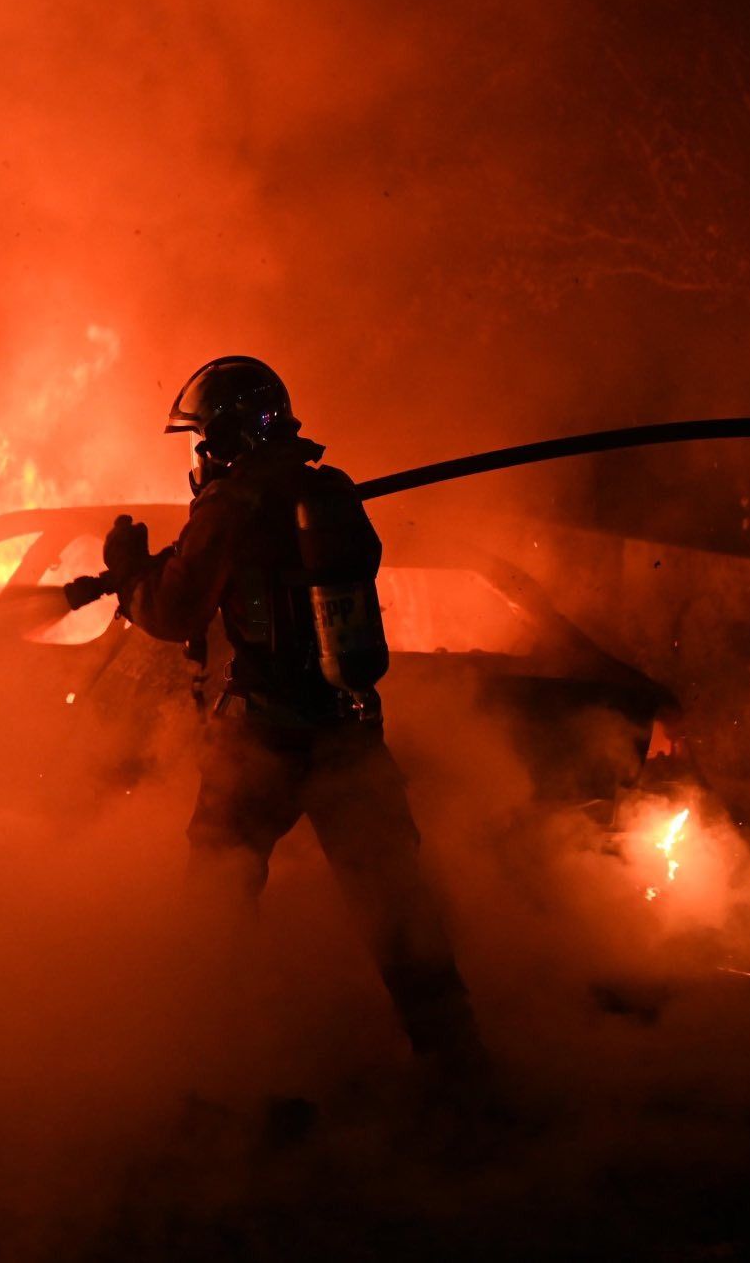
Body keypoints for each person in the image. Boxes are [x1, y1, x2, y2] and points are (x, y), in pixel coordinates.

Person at [103, 356, 485, 1091]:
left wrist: (127, 572)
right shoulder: (329, 492)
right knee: (399, 910)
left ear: (221, 437)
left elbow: (174, 608)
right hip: (349, 732)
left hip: (265, 736)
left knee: (218, 899)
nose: (198, 457)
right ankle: (464, 1079)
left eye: (200, 441)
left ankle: (220, 1083)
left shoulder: (230, 504)